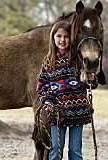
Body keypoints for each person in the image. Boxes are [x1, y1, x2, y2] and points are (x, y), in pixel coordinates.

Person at [36, 21, 97, 160]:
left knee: (75, 150)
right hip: (57, 113)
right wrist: (47, 101)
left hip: (78, 111)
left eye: (66, 36)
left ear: (72, 38)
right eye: (59, 36)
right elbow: (42, 86)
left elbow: (91, 84)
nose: (62, 40)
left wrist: (91, 78)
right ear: (53, 37)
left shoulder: (79, 60)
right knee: (56, 150)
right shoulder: (48, 61)